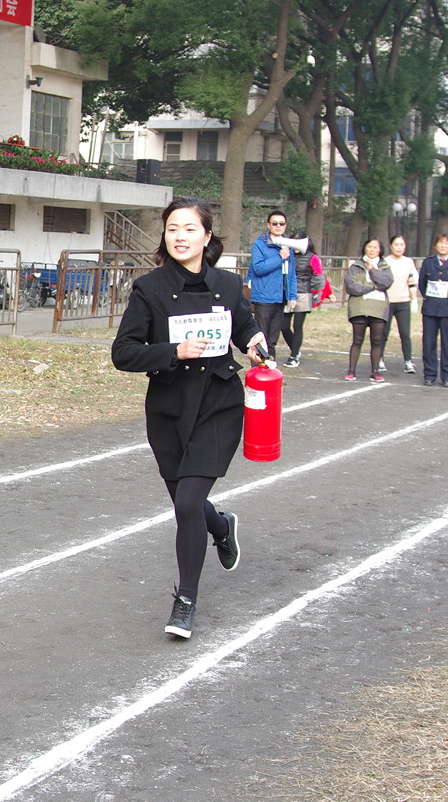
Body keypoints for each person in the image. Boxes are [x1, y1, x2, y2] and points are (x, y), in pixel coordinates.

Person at [112, 196, 265, 640]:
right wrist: (172, 352)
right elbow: (123, 353)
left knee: (185, 506)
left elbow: (244, 327)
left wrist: (255, 343)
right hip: (169, 408)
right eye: (172, 228)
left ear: (207, 235)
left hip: (219, 403)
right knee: (192, 504)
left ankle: (186, 601)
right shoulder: (150, 289)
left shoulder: (229, 285)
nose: (180, 236)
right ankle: (222, 524)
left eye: (189, 228)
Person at [247, 210, 300, 362]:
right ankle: (258, 368)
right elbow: (258, 268)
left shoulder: (288, 245)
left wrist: (292, 295)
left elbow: (291, 274)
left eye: (281, 224)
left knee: (272, 339)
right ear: (268, 225)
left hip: (280, 297)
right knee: (261, 336)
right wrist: (279, 258)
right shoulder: (260, 244)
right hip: (264, 297)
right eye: (274, 223)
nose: (278, 226)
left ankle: (270, 368)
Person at [419, 233, 448, 386]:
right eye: (440, 243)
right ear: (435, 245)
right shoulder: (428, 262)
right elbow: (422, 284)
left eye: (447, 243)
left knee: (447, 343)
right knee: (428, 343)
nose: (443, 246)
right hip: (431, 308)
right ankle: (430, 374)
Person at [344, 238, 393, 381]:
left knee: (377, 340)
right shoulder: (356, 266)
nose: (372, 250)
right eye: (369, 247)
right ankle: (351, 370)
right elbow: (352, 286)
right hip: (359, 307)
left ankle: (375, 371)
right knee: (357, 339)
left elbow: (386, 282)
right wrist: (372, 286)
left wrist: (372, 270)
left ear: (380, 250)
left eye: (375, 247)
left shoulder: (384, 266)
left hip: (378, 307)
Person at [281, 239, 325, 367]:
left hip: (303, 294)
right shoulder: (288, 255)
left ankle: (294, 356)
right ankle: (295, 349)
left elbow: (318, 275)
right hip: (289, 293)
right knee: (283, 326)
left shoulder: (312, 257)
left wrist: (314, 291)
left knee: (297, 325)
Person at [384, 233, 419, 374]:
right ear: (391, 246)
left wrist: (414, 300)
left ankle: (408, 361)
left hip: (403, 302)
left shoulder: (409, 262)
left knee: (405, 333)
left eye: (401, 245)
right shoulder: (385, 261)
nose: (399, 248)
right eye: (396, 245)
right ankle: (379, 359)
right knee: (383, 333)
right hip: (387, 302)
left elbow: (412, 282)